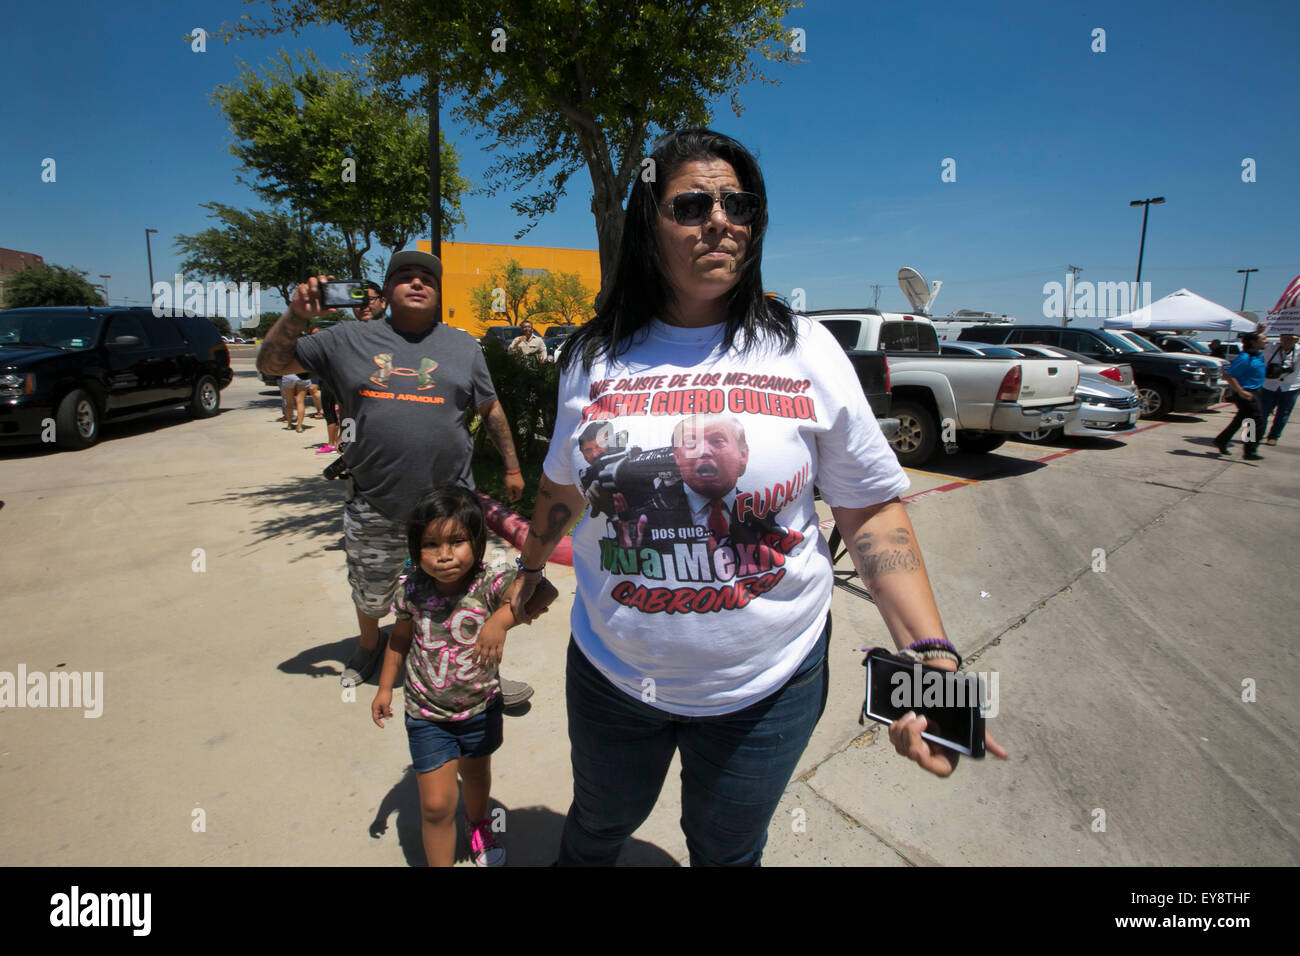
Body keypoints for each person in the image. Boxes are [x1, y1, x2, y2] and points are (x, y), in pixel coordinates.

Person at [508, 128, 1006, 867]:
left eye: (738, 203)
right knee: (596, 829)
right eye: (691, 204)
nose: (720, 218)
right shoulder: (592, 354)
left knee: (727, 849)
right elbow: (562, 487)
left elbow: (868, 510)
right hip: (615, 676)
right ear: (649, 223)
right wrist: (525, 574)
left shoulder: (804, 349)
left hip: (770, 689)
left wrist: (931, 658)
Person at [257, 250, 536, 706]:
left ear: (438, 291)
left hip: (449, 507)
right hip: (376, 501)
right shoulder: (346, 339)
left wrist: (511, 466)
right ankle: (369, 647)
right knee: (371, 593)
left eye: (427, 276)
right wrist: (296, 315)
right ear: (386, 291)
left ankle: (476, 673)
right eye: (404, 275)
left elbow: (489, 407)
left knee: (463, 595)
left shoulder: (463, 347)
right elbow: (271, 365)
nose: (416, 282)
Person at [371, 486, 557, 866]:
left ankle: (478, 824)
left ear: (477, 542)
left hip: (480, 709)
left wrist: (499, 622)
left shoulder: (490, 583)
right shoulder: (411, 591)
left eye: (457, 541)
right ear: (414, 549)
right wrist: (385, 688)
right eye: (430, 544)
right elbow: (399, 641)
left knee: (475, 778)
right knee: (437, 807)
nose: (443, 555)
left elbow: (546, 591)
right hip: (426, 716)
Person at [317, 283, 386, 455]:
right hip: (361, 445)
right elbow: (347, 403)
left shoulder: (401, 336)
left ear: (383, 301)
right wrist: (346, 436)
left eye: (369, 299)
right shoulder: (346, 340)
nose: (363, 305)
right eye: (357, 300)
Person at [1215, 330, 1269, 460]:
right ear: (1253, 343)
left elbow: (1252, 337)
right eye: (1263, 339)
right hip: (1246, 393)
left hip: (1256, 391)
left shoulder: (1257, 354)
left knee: (1240, 420)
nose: (1266, 341)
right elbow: (1228, 375)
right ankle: (1250, 451)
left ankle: (1221, 440)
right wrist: (1241, 392)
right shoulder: (1244, 358)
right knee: (1256, 422)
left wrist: (1259, 331)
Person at [1258, 333, 1299, 445]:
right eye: (1285, 338)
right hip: (1269, 385)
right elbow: (1257, 344)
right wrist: (1259, 331)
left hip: (1290, 387)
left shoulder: (1298, 351)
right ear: (1280, 339)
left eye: (1292, 339)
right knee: (1262, 412)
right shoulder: (1271, 347)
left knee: (1283, 413)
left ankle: (1274, 436)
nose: (1288, 341)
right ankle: (1257, 434)